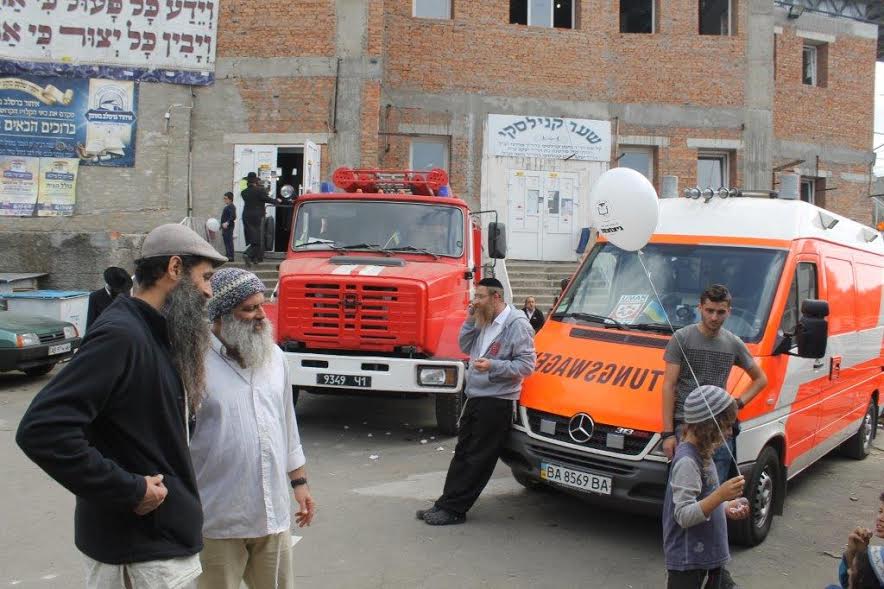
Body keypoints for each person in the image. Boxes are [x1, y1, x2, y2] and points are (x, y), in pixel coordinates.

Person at [16, 223, 227, 589]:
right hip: (138, 557)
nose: (210, 291)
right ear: (174, 269)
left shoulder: (157, 334)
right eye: (205, 277)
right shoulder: (121, 335)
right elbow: (43, 429)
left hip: (161, 549)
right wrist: (130, 490)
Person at [190, 267, 316, 589]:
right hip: (217, 520)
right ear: (220, 316)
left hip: (272, 514)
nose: (261, 315)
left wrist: (299, 483)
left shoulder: (274, 356)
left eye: (262, 304)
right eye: (249, 309)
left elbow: (287, 423)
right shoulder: (194, 364)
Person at [662, 284, 767, 589]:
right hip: (689, 425)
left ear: (729, 311)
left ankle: (716, 567)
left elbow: (760, 379)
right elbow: (668, 386)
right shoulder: (682, 338)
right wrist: (667, 431)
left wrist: (736, 405)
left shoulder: (732, 342)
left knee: (713, 492)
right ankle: (696, 564)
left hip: (719, 427)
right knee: (690, 497)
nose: (715, 317)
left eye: (721, 312)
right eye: (709, 310)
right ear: (700, 307)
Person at [416, 277, 536, 526]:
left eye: (480, 297)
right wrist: (471, 319)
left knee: (478, 458)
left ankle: (456, 510)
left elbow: (527, 365)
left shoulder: (517, 324)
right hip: (476, 396)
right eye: (475, 297)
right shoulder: (483, 319)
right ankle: (446, 502)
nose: (475, 302)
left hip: (497, 401)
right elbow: (463, 344)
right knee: (463, 452)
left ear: (496, 297)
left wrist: (493, 365)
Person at [663, 385, 750, 589]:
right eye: (726, 426)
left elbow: (705, 500)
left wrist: (726, 506)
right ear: (709, 425)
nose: (730, 432)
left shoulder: (704, 453)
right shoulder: (687, 462)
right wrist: (720, 496)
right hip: (689, 563)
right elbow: (684, 515)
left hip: (709, 557)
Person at [830, 492, 884, 588]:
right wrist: (855, 553)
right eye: (880, 511)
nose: (880, 518)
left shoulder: (878, 557)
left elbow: (851, 585)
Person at [241, 172, 278, 266]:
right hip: (257, 216)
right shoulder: (260, 190)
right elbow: (266, 199)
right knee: (258, 238)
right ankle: (248, 254)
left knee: (252, 237)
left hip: (246, 215)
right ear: (256, 181)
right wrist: (276, 201)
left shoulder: (243, 192)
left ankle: (255, 258)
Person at [220, 191, 237, 262]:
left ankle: (230, 256)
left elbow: (233, 216)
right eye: (224, 198)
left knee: (229, 241)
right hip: (225, 227)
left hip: (228, 227)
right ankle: (228, 255)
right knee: (226, 241)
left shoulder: (231, 206)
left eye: (226, 198)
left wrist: (227, 223)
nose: (224, 200)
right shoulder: (228, 206)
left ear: (230, 199)